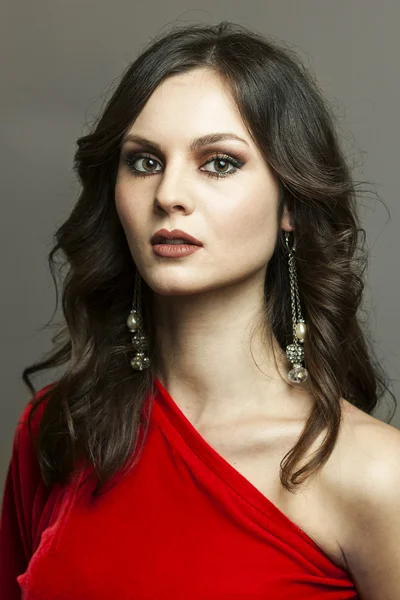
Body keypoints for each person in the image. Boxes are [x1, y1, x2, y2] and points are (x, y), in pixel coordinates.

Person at [0, 20, 399, 600]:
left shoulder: (376, 475)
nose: (168, 195)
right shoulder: (58, 429)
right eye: (143, 161)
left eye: (218, 163)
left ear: (290, 203)